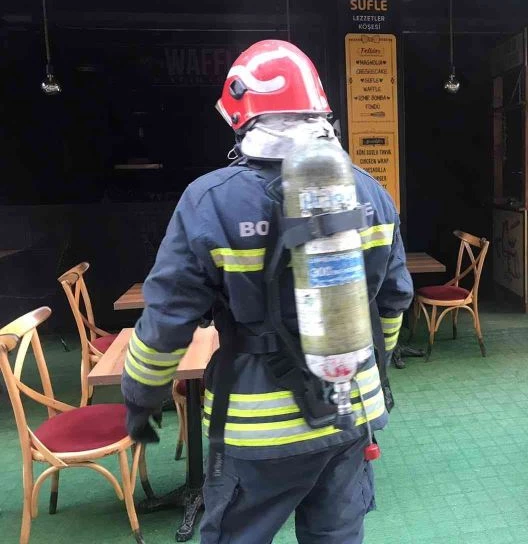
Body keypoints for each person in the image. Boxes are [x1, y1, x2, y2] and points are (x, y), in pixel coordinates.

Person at [121, 40, 413, 544]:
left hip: (258, 432)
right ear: (320, 109)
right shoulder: (370, 192)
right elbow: (395, 300)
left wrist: (141, 398)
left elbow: (166, 322)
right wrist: (361, 361)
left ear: (241, 117)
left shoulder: (209, 201)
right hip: (351, 416)